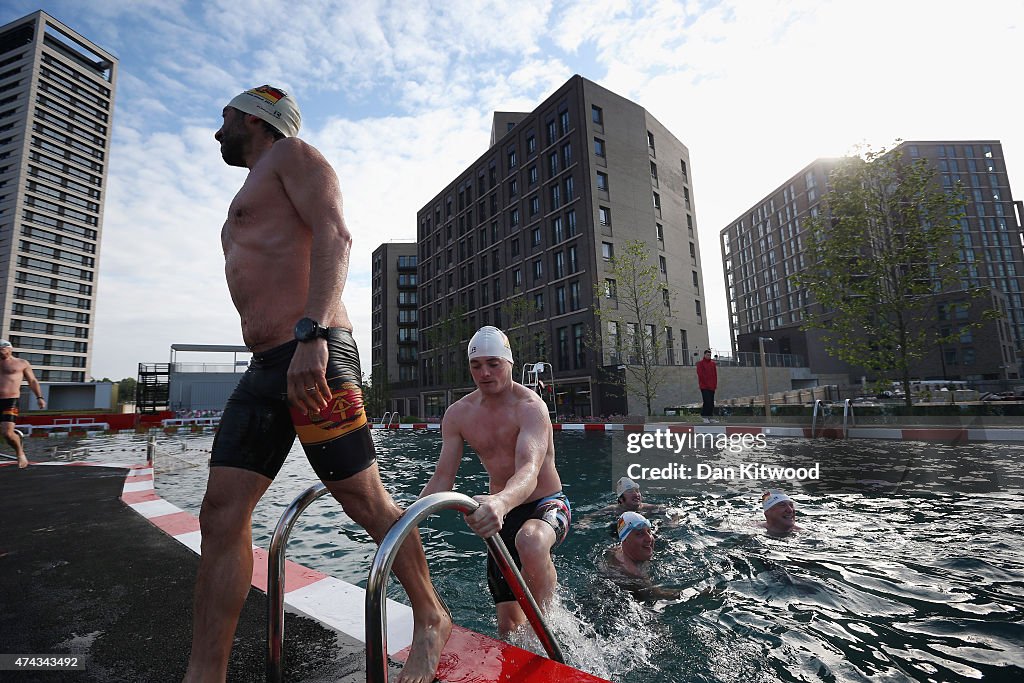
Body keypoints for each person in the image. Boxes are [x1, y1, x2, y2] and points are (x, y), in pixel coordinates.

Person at [183, 85, 448, 683]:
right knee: (220, 512)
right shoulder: (250, 187)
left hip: (313, 354)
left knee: (364, 501)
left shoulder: (294, 157)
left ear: (254, 116)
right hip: (266, 367)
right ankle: (205, 674)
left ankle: (431, 616)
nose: (216, 128)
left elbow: (336, 234)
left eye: (223, 116)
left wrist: (313, 334)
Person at [420, 326, 570, 637]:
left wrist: (501, 501)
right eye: (476, 366)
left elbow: (529, 469)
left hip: (546, 504)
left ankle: (549, 625)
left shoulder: (531, 408)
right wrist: (403, 519)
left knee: (530, 540)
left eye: (493, 364)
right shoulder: (458, 414)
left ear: (509, 364)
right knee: (507, 628)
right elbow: (442, 478)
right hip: (501, 514)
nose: (484, 373)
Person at [603, 511, 679, 601]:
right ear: (625, 539)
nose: (649, 539)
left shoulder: (615, 549)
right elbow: (662, 594)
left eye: (648, 532)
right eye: (639, 534)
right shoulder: (634, 573)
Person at [0, 340, 45, 468]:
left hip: (10, 400)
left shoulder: (21, 363)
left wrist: (39, 397)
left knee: (7, 433)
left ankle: (20, 453)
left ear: (9, 349)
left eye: (1, 350)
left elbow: (32, 381)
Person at [599, 477, 667, 516]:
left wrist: (672, 521)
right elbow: (590, 517)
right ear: (621, 499)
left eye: (637, 491)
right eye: (630, 491)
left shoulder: (647, 508)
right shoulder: (614, 509)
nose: (636, 494)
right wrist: (587, 521)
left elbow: (671, 511)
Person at [696, 349, 718, 424]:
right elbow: (700, 375)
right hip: (704, 386)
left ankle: (710, 417)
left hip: (712, 386)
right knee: (707, 401)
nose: (709, 356)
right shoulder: (700, 364)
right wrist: (705, 383)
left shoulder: (713, 364)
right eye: (707, 355)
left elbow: (715, 375)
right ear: (704, 355)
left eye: (710, 355)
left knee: (711, 402)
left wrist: (715, 384)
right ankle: (704, 416)